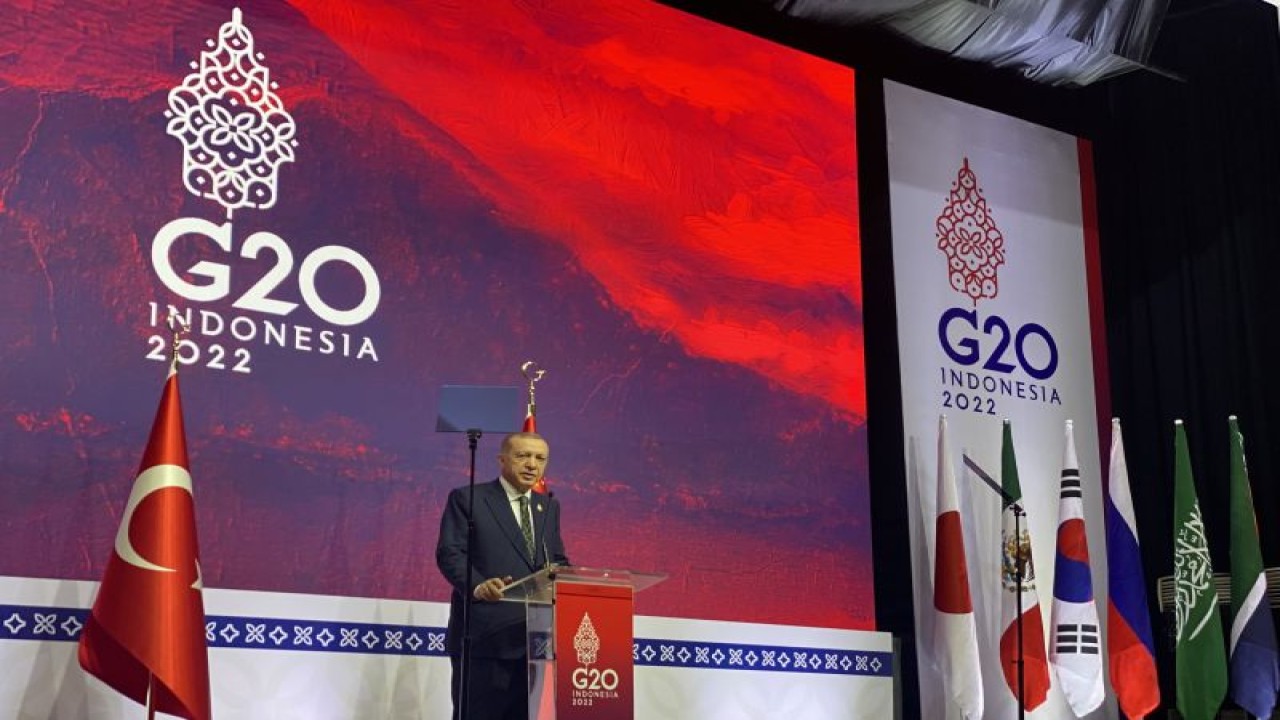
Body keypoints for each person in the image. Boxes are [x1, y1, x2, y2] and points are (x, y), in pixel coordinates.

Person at [436, 431, 570, 720]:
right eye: (523, 456)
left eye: (540, 458)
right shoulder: (469, 498)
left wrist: (565, 580)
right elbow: (450, 553)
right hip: (484, 637)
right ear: (502, 459)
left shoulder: (548, 507)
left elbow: (557, 561)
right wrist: (478, 585)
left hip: (533, 642)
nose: (532, 464)